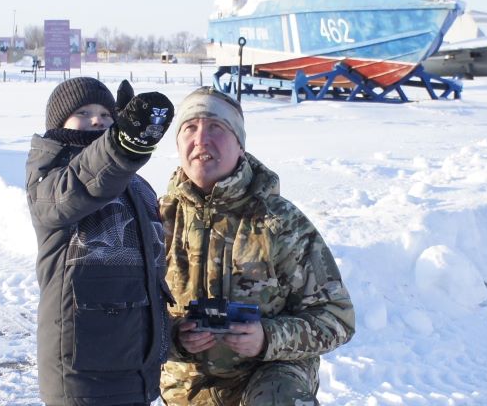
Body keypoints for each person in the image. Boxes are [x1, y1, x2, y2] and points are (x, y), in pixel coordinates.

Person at [160, 87, 356, 405]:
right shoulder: (158, 220)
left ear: (239, 145)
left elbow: (337, 318)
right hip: (186, 386)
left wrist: (268, 338)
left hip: (267, 377)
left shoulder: (281, 222)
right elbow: (130, 317)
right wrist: (176, 337)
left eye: (215, 127)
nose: (200, 140)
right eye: (189, 128)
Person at [25, 76, 176, 406]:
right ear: (58, 124)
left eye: (107, 115)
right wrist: (119, 147)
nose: (97, 119)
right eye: (83, 112)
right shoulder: (50, 179)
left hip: (137, 368)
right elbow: (83, 183)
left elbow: (152, 274)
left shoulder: (139, 186)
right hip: (83, 376)